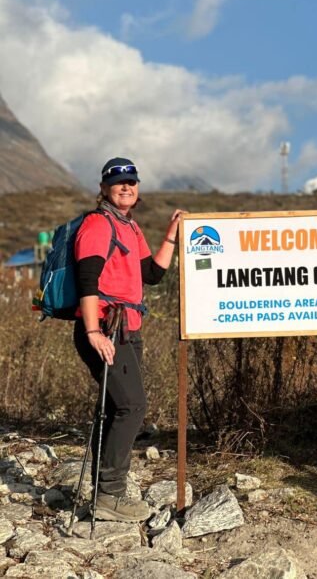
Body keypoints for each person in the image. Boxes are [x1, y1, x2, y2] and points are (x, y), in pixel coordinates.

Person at [74, 157, 184, 523]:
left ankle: (103, 494)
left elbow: (151, 274)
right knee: (132, 407)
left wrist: (170, 235)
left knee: (112, 409)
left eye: (132, 182)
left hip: (127, 329)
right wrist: (93, 332)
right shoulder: (97, 224)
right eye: (118, 182)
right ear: (104, 188)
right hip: (105, 329)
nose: (126, 187)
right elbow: (87, 281)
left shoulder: (129, 227)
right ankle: (110, 495)